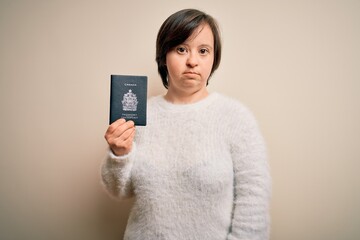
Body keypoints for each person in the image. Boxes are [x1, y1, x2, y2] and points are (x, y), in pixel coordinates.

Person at [101, 8, 271, 240]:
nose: (192, 61)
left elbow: (254, 204)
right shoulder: (140, 114)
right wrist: (119, 154)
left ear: (214, 58)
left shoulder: (236, 118)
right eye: (181, 49)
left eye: (203, 51)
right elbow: (119, 191)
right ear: (163, 56)